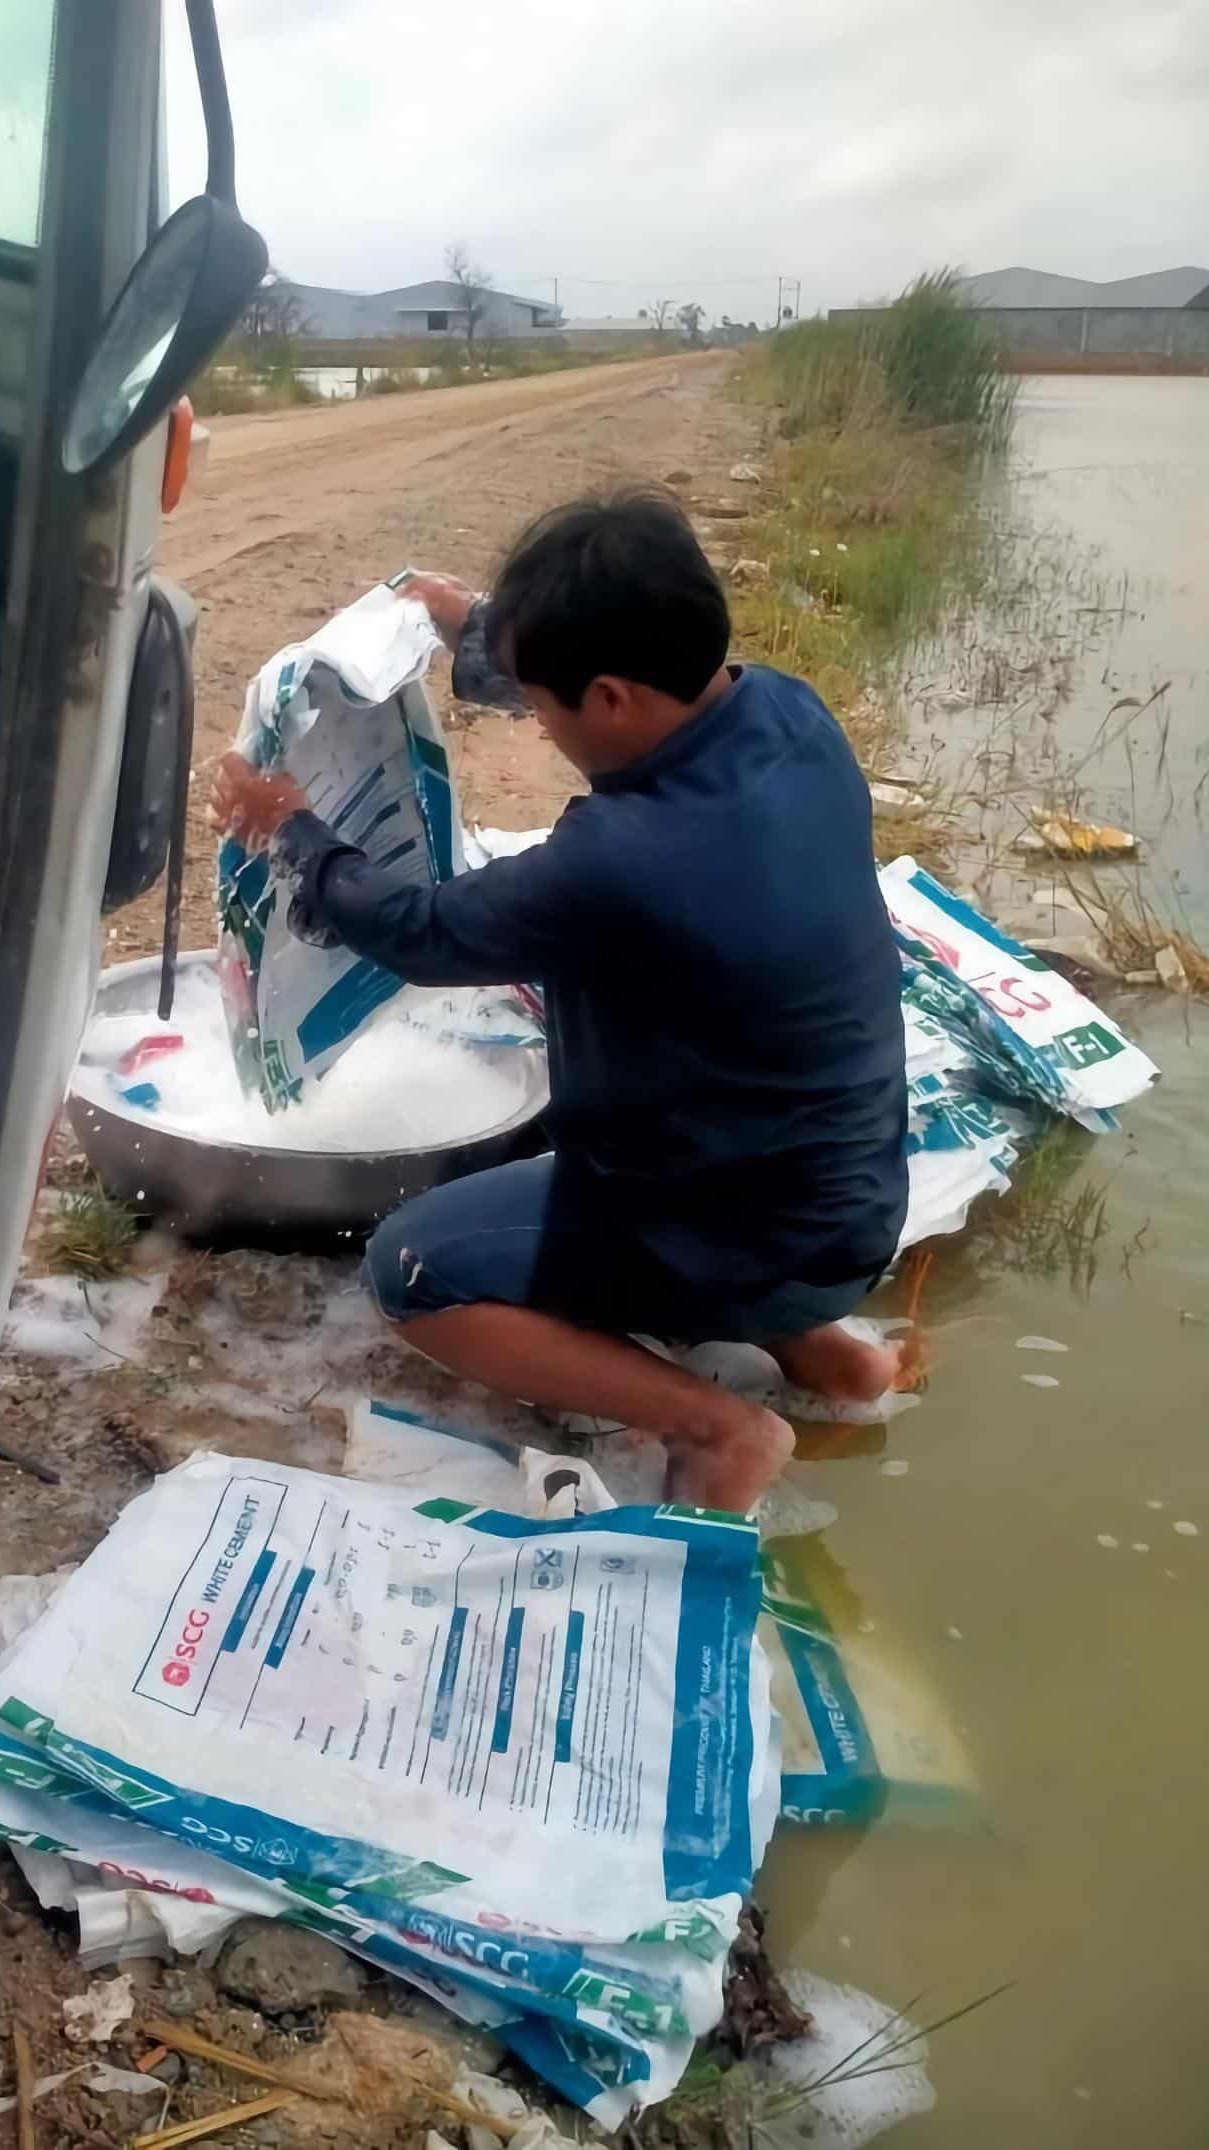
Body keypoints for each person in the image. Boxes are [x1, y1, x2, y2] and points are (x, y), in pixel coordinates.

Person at [211, 489, 907, 1513]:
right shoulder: (792, 714)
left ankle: (717, 1426)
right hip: (847, 1205)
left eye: (539, 708)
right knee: (720, 1145)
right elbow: (607, 669)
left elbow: (419, 929)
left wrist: (296, 832)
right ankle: (832, 1360)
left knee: (417, 1266)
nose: (536, 724)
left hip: (736, 1221)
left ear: (614, 697)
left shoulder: (625, 860)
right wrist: (471, 629)